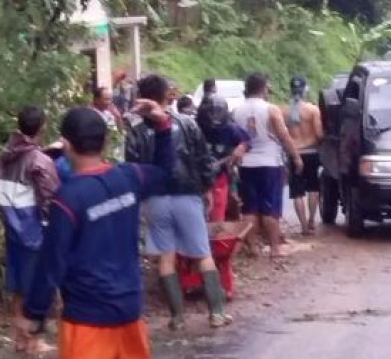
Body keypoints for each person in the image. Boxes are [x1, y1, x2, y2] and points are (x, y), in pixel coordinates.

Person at [17, 102, 182, 359]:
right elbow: (167, 173)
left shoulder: (69, 199)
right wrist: (164, 128)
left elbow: (51, 264)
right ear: (105, 141)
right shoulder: (129, 177)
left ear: (66, 144)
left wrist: (33, 316)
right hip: (128, 311)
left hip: (88, 321)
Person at [126, 73, 231, 330]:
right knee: (202, 254)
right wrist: (206, 187)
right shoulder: (187, 124)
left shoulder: (136, 131)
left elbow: (132, 166)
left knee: (166, 257)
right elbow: (203, 159)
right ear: (166, 95)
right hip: (187, 194)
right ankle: (216, 313)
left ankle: (177, 317)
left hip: (155, 199)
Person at [0, 106, 60, 354]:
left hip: (12, 226)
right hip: (34, 229)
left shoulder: (4, 156)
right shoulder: (39, 161)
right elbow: (50, 196)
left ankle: (19, 338)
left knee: (19, 285)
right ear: (42, 127)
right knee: (36, 286)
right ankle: (33, 340)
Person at [234, 73, 303, 259]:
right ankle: (274, 248)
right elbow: (284, 136)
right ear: (264, 87)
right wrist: (296, 158)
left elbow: (234, 139)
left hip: (245, 164)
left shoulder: (236, 110)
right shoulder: (271, 109)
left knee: (249, 208)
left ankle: (254, 248)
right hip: (269, 164)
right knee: (270, 208)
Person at [197, 95, 251, 223]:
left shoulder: (230, 129)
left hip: (220, 176)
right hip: (197, 178)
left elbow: (247, 140)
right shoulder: (195, 127)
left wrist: (241, 147)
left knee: (217, 212)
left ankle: (216, 238)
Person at [283, 76, 324, 236]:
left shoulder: (284, 111)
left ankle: (303, 227)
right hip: (312, 152)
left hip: (294, 154)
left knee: (297, 192)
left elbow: (284, 134)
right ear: (305, 89)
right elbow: (319, 134)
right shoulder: (313, 110)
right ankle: (312, 220)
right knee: (313, 188)